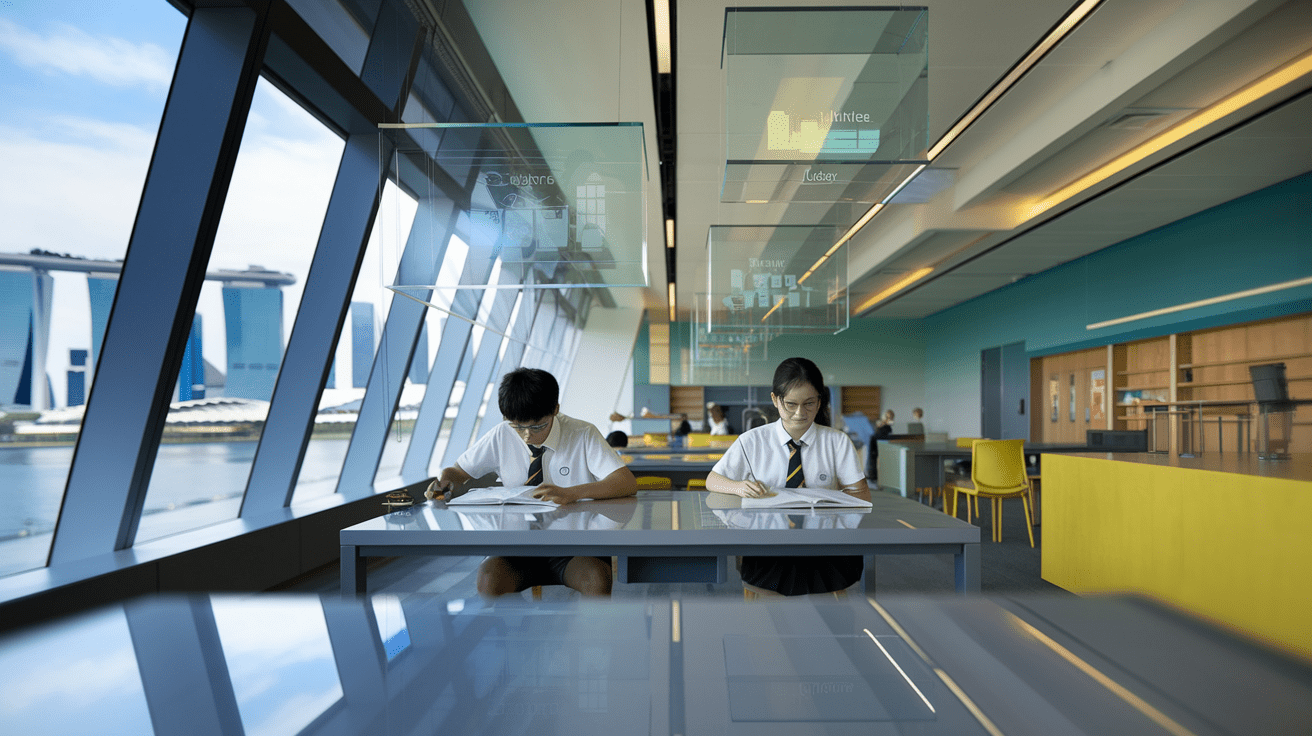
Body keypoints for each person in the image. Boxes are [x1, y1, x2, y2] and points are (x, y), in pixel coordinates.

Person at [426, 368, 637, 597]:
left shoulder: (582, 433)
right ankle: (516, 630)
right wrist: (445, 481)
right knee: (488, 580)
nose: (527, 435)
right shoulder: (502, 434)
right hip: (516, 548)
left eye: (537, 426)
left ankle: (591, 632)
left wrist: (572, 493)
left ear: (555, 410)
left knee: (596, 579)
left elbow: (625, 482)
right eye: (518, 426)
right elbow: (458, 470)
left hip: (573, 548)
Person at [705, 357, 869, 596]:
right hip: (768, 545)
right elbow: (713, 480)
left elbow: (861, 494)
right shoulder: (752, 440)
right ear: (775, 399)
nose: (800, 413)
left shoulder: (836, 441)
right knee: (771, 578)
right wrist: (739, 487)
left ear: (819, 401)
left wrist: (838, 501)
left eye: (809, 403)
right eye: (791, 404)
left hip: (824, 543)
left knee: (840, 570)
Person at [867, 409, 894, 481]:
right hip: (876, 442)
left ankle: (874, 475)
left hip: (883, 443)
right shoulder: (880, 423)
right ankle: (872, 475)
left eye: (890, 417)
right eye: (887, 416)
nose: (889, 418)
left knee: (876, 457)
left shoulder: (889, 426)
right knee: (873, 457)